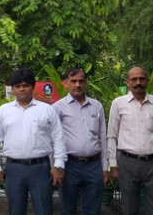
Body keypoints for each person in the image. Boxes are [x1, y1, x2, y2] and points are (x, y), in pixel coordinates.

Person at [0, 68, 66, 215]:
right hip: (14, 169)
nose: (22, 89)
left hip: (40, 168)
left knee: (44, 209)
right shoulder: (4, 111)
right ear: (13, 88)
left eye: (26, 85)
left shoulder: (47, 110)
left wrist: (58, 165)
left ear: (33, 86)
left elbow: (58, 138)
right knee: (16, 210)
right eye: (18, 86)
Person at [107, 66, 153, 215]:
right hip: (127, 162)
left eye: (142, 79)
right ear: (128, 82)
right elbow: (112, 135)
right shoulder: (118, 103)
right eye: (134, 79)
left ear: (147, 81)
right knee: (129, 208)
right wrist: (113, 164)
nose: (138, 82)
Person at [52, 68, 108, 215]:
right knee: (68, 209)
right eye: (73, 81)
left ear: (86, 82)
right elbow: (53, 140)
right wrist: (56, 167)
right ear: (65, 84)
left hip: (94, 166)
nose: (77, 85)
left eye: (81, 81)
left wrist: (105, 167)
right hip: (69, 166)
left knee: (93, 209)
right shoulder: (58, 108)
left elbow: (102, 137)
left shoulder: (97, 106)